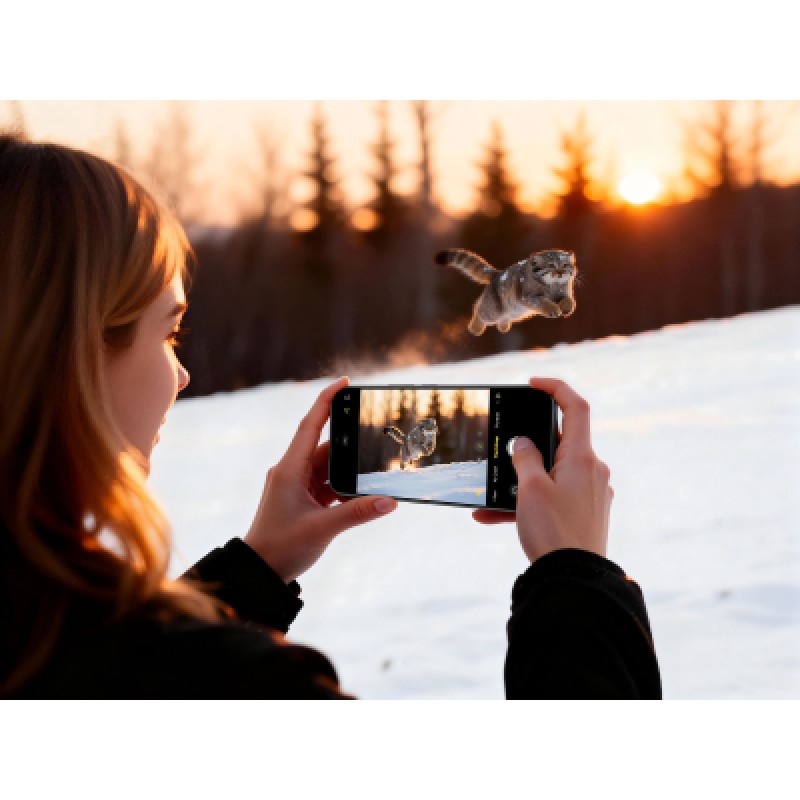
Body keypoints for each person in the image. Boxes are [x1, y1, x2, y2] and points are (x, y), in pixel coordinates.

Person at [0, 133, 661, 699]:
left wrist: (254, 572)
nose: (182, 374)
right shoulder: (241, 686)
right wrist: (578, 582)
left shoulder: (44, 640)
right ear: (70, 353)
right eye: (170, 332)